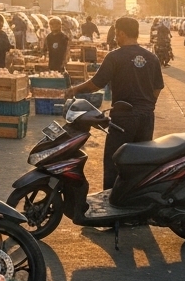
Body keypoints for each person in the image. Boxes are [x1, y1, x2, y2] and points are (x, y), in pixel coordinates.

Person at [68, 16, 164, 190]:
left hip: (123, 118)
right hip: (146, 118)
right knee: (141, 161)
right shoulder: (152, 58)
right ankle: (136, 201)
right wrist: (146, 106)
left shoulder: (115, 57)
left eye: (116, 34)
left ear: (120, 33)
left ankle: (110, 202)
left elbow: (95, 85)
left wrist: (75, 90)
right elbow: (157, 89)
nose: (115, 38)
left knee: (115, 160)